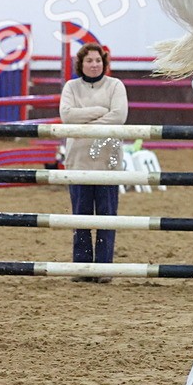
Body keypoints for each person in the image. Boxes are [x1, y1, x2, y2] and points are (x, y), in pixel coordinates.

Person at [59, 43, 129, 282]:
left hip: (107, 162)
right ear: (81, 63)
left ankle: (103, 268)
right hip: (78, 162)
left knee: (106, 217)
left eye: (98, 60)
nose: (94, 64)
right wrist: (100, 111)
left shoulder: (116, 86)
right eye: (89, 60)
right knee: (81, 217)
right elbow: (67, 115)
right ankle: (81, 267)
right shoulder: (71, 87)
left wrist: (83, 123)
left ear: (104, 63)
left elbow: (119, 116)